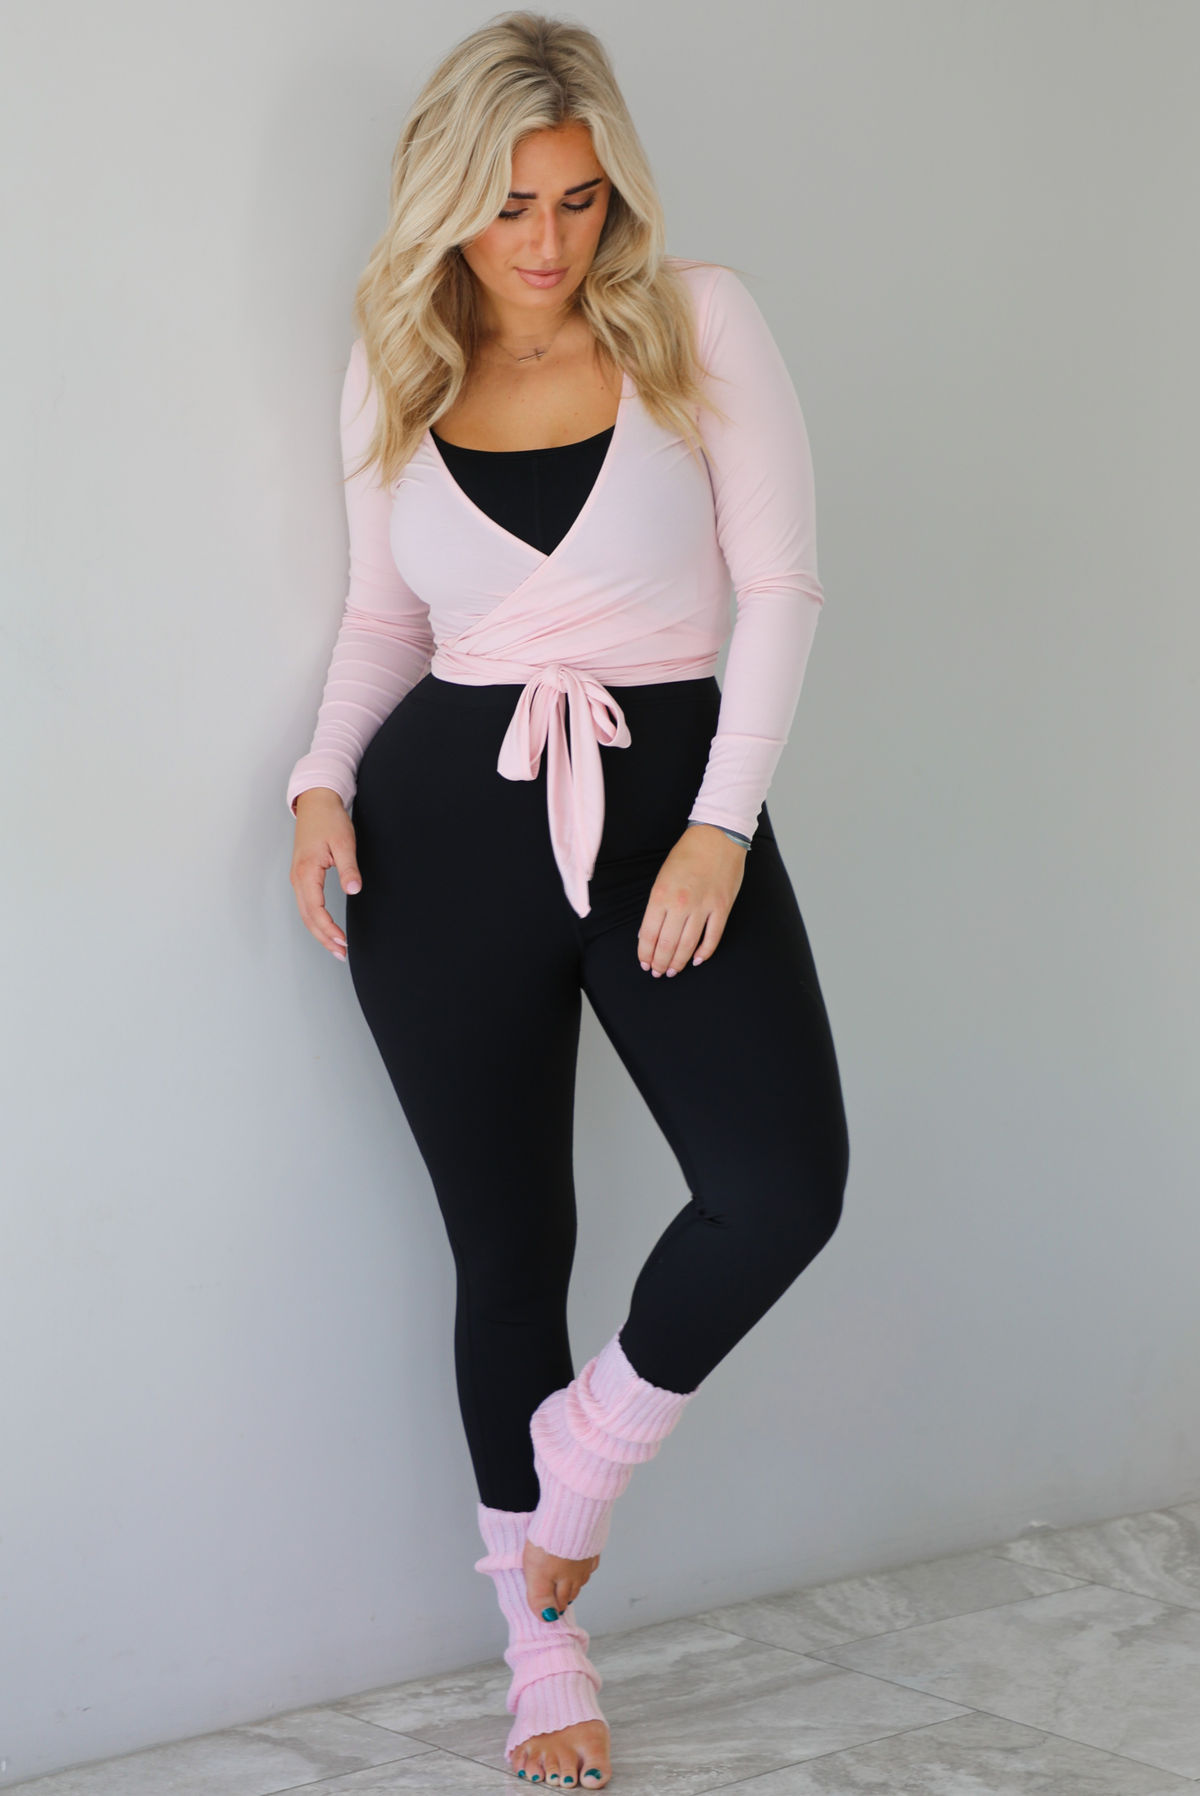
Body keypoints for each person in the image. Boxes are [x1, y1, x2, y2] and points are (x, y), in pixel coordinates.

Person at [287, 12, 849, 1787]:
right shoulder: (392, 364)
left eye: (580, 200)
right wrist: (316, 777)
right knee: (507, 1250)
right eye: (512, 205)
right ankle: (539, 1654)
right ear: (448, 203)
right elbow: (389, 619)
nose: (548, 242)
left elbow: (784, 586)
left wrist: (723, 827)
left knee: (778, 1181)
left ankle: (587, 1455)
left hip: (670, 796)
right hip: (442, 823)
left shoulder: (700, 321)